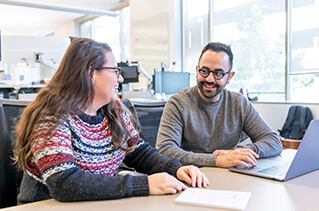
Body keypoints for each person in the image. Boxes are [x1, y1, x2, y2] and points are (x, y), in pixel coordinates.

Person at [14, 38, 209, 204]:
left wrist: (176, 169)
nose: (121, 78)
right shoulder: (52, 117)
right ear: (91, 73)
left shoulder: (114, 111)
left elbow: (139, 153)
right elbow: (64, 183)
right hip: (46, 205)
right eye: (115, 71)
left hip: (94, 203)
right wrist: (144, 185)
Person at [156, 42, 283, 168]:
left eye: (218, 73)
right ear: (197, 71)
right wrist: (217, 160)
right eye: (204, 71)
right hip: (191, 178)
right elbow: (165, 150)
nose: (209, 79)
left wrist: (239, 153)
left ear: (229, 77)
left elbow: (273, 142)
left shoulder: (239, 103)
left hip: (229, 178)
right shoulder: (178, 103)